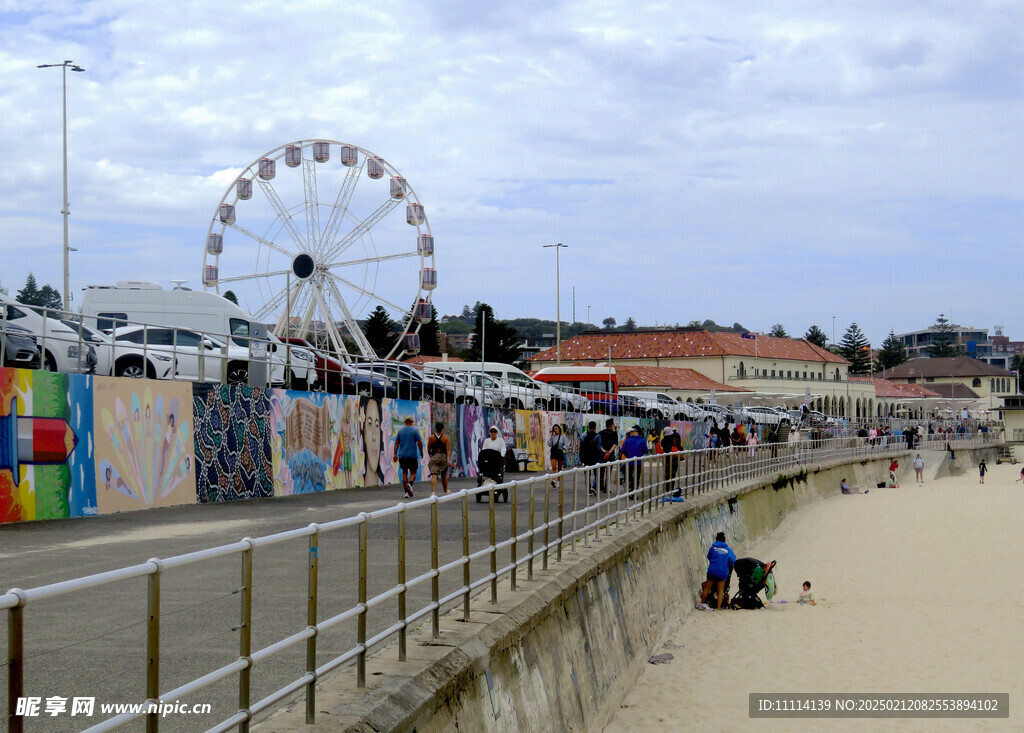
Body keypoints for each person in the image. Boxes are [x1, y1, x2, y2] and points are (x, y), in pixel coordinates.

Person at [699, 531, 736, 610]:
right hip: (722, 572)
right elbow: (732, 560)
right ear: (724, 540)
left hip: (712, 570)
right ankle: (719, 608)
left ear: (716, 539)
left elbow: (709, 556)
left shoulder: (713, 547)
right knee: (720, 590)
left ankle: (702, 603)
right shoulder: (728, 550)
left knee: (708, 586)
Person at [393, 417, 423, 498]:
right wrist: (421, 451)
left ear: (405, 422)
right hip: (412, 455)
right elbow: (419, 442)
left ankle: (406, 492)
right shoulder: (415, 431)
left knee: (404, 473)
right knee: (413, 473)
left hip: (402, 455)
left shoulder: (400, 431)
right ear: (412, 421)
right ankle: (410, 484)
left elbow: (396, 443)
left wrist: (395, 454)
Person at [427, 422, 451, 496]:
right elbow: (448, 450)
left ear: (436, 428)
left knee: (434, 475)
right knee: (444, 475)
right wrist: (449, 459)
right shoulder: (446, 437)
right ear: (442, 428)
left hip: (434, 457)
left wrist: (431, 455)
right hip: (443, 457)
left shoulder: (431, 438)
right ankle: (445, 491)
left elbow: (428, 448)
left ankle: (433, 492)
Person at [620, 426, 649, 490]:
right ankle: (634, 491)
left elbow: (622, 450)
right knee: (637, 477)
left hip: (629, 461)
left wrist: (627, 454)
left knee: (629, 475)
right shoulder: (642, 440)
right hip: (638, 462)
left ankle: (630, 488)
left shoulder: (627, 440)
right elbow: (646, 451)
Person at [580, 421, 603, 495]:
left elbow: (581, 447)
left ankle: (588, 489)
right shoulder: (598, 436)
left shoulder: (584, 436)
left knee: (587, 474)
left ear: (588, 427)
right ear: (595, 427)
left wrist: (581, 458)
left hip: (586, 457)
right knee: (597, 473)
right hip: (595, 457)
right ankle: (594, 486)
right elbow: (599, 447)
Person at [598, 418, 619, 493]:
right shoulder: (614, 433)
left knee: (601, 471)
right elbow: (615, 444)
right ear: (611, 425)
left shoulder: (600, 433)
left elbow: (599, 444)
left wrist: (604, 451)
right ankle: (607, 487)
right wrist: (609, 452)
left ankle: (600, 487)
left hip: (602, 454)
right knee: (608, 472)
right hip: (610, 455)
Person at [661, 426, 683, 498]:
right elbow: (680, 448)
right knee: (673, 473)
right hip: (675, 459)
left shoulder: (663, 440)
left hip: (667, 459)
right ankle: (672, 488)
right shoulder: (675, 439)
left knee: (667, 473)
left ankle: (667, 488)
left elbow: (663, 447)